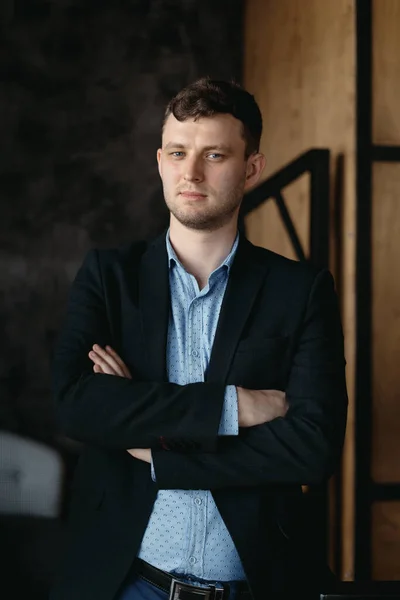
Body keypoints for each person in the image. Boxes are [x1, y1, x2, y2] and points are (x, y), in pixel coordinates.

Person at [50, 77, 348, 600]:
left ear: (251, 168)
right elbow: (77, 405)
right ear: (160, 160)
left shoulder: (301, 291)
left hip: (256, 586)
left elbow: (312, 448)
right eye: (177, 152)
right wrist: (233, 408)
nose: (190, 172)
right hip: (123, 584)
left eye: (214, 154)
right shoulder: (108, 276)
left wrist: (152, 445)